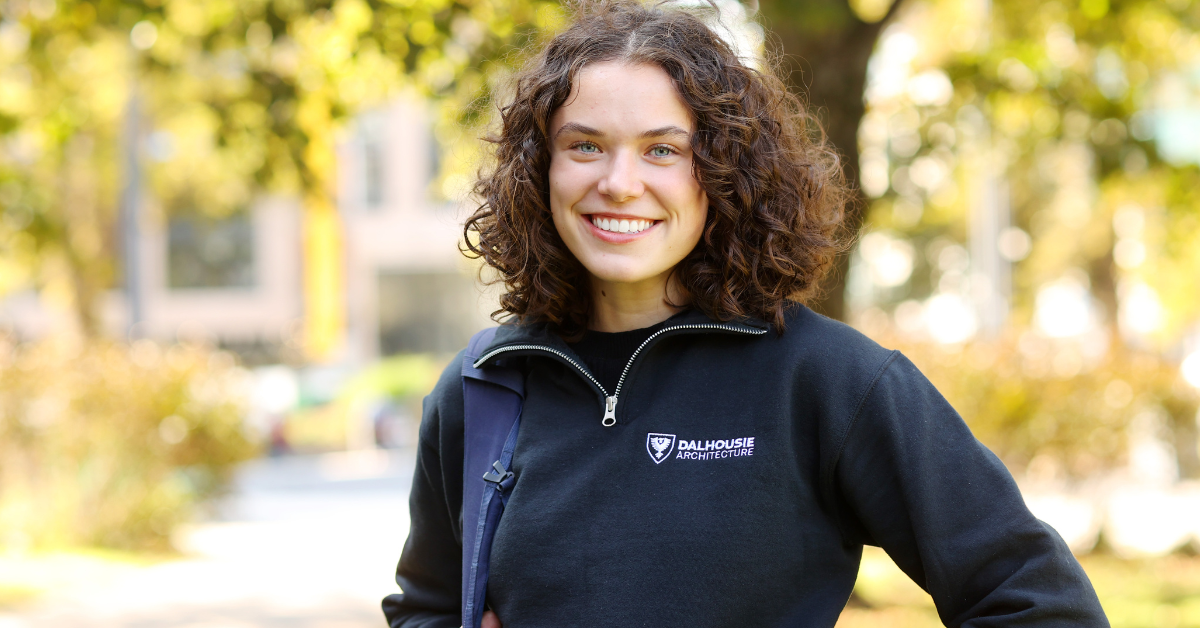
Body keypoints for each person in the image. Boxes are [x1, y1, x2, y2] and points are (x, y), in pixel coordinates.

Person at [382, 2, 1109, 626]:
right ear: (540, 169)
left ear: (724, 169)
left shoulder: (829, 380)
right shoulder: (485, 388)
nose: (619, 183)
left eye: (663, 150)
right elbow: (427, 607)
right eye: (585, 146)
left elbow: (1039, 603)